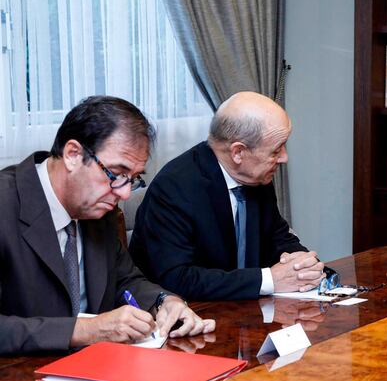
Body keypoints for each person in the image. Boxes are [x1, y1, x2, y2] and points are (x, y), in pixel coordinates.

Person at [0, 96, 215, 354]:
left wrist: (164, 302)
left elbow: (124, 278)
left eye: (132, 179)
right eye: (116, 173)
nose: (124, 194)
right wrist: (85, 331)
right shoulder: (7, 204)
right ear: (72, 154)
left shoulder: (100, 207)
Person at [130, 92, 325, 301]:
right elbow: (177, 278)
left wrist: (304, 266)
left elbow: (278, 238)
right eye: (276, 151)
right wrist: (268, 280)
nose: (284, 158)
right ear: (238, 152)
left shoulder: (256, 178)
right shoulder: (175, 187)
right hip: (189, 316)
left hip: (247, 311)